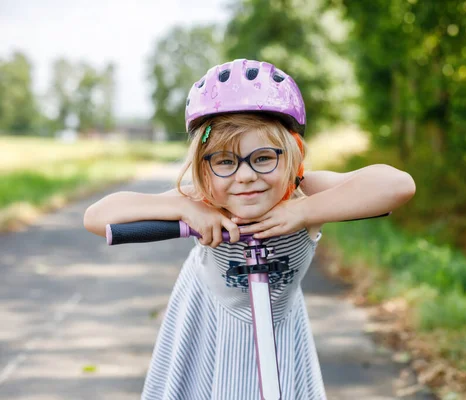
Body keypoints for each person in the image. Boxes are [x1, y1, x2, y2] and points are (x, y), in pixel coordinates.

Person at [83, 59, 416, 399]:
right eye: (225, 161)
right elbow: (97, 216)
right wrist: (184, 207)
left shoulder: (301, 192)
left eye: (262, 158)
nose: (245, 176)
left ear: (292, 157)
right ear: (204, 169)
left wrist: (304, 211)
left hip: (279, 338)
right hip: (207, 336)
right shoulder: (204, 197)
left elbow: (398, 184)